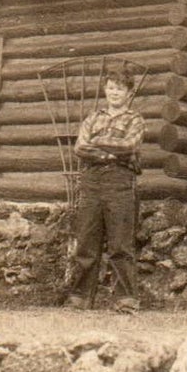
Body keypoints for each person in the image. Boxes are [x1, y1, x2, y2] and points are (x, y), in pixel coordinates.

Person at [65, 69, 145, 313]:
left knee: (121, 244)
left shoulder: (135, 119)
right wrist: (109, 153)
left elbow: (130, 145)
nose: (114, 93)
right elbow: (80, 147)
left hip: (120, 182)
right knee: (86, 242)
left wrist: (97, 144)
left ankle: (126, 301)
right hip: (91, 182)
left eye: (120, 88)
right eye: (111, 87)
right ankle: (80, 300)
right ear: (105, 90)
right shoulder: (92, 118)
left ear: (129, 93)